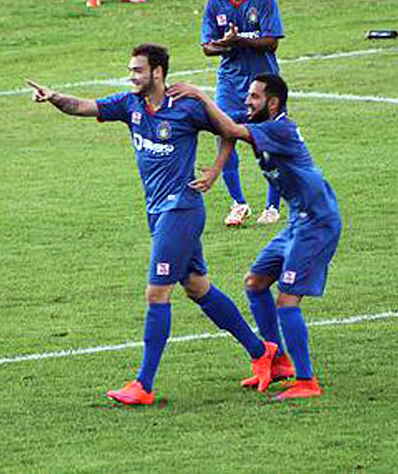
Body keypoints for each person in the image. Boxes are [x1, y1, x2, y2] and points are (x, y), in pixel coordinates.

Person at [26, 43, 276, 405]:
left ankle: (143, 384)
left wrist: (216, 170)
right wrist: (53, 96)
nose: (131, 77)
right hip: (157, 211)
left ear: (157, 73)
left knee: (157, 293)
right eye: (130, 71)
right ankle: (260, 352)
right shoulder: (130, 106)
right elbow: (82, 106)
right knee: (197, 287)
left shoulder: (187, 107)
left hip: (182, 210)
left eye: (137, 71)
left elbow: (229, 131)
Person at [168, 74, 341, 401]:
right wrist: (216, 169)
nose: (248, 101)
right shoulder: (263, 124)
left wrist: (199, 95)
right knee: (256, 282)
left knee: (287, 301)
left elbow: (231, 130)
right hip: (297, 221)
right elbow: (228, 130)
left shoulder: (280, 129)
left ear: (272, 103)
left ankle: (306, 382)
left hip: (317, 223)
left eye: (255, 97)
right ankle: (277, 363)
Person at [201, 0, 285, 226]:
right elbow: (207, 47)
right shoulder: (215, 4)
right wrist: (225, 44)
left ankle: (272, 206)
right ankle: (238, 203)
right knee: (225, 136)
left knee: (268, 141)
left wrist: (239, 41)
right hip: (230, 84)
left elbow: (272, 41)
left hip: (264, 82)